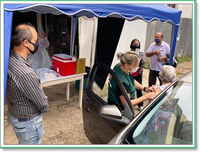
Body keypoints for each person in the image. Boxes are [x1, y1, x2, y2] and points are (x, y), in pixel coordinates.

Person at [6, 23, 49, 144]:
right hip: (29, 123)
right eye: (35, 41)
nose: (37, 44)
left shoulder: (9, 58)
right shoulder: (26, 74)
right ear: (26, 42)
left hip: (16, 115)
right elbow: (43, 104)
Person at [130, 39, 145, 110]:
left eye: (137, 44)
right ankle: (130, 104)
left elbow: (143, 63)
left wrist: (140, 58)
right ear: (131, 44)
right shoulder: (129, 53)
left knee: (139, 89)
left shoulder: (141, 53)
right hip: (130, 73)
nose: (136, 46)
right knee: (129, 89)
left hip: (138, 73)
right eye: (134, 44)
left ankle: (140, 105)